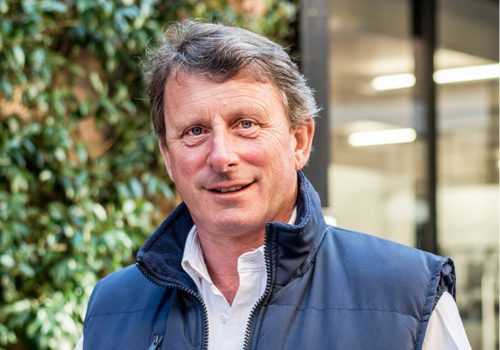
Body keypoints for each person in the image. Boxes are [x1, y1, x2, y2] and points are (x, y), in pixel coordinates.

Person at [75, 21, 471, 350]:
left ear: (299, 141)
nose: (222, 157)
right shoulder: (110, 310)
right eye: (194, 131)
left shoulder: (409, 296)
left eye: (246, 124)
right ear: (167, 156)